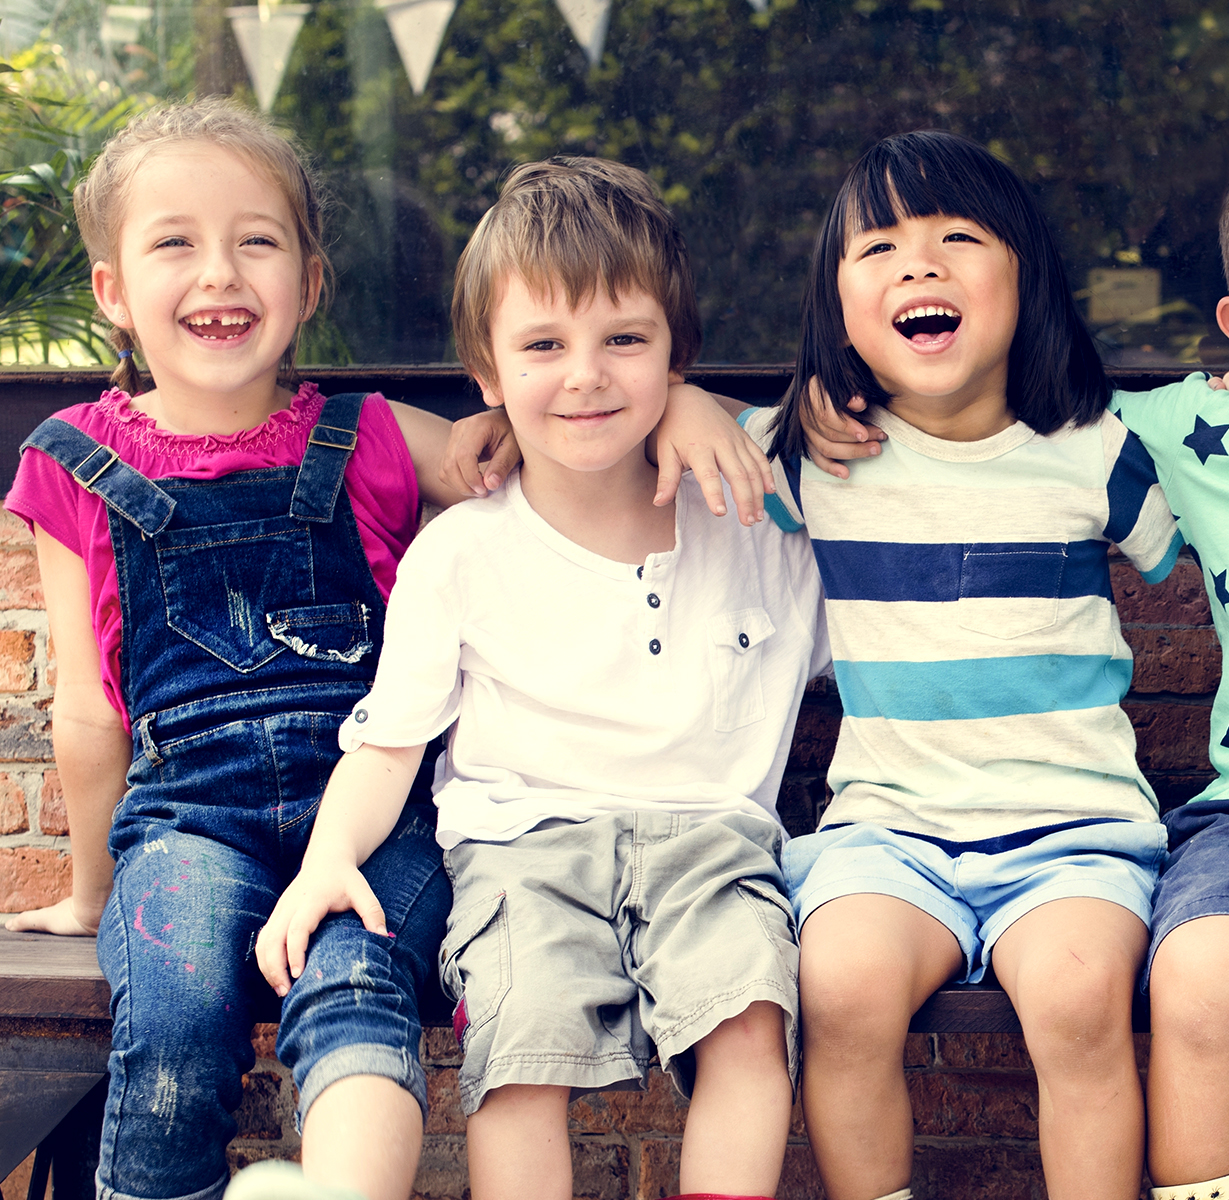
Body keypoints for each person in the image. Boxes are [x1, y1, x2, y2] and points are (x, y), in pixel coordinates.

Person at [252, 156, 826, 1200]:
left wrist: (714, 413)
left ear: (675, 354)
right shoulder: (465, 552)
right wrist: (328, 857)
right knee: (518, 1061)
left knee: (751, 1026)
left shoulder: (761, 516)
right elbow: (390, 744)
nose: (586, 375)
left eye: (626, 342)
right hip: (521, 847)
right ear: (488, 374)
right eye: (544, 346)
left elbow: (875, 428)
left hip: (713, 837)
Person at [0, 97, 488, 1200]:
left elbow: (544, 456)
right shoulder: (75, 461)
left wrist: (687, 417)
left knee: (356, 979)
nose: (219, 272)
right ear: (114, 293)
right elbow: (89, 712)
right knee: (170, 1011)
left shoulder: (369, 438)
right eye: (175, 241)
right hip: (189, 829)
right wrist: (92, 891)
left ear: (309, 283)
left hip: (373, 820)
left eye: (256, 241)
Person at [726, 130, 1182, 1200]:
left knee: (1077, 1004)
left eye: (958, 239)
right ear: (835, 304)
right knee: (839, 990)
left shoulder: (1097, 453)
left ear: (1024, 279)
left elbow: (1204, 537)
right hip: (891, 831)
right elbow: (654, 418)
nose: (919, 267)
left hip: (1075, 830)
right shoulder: (809, 459)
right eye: (878, 248)